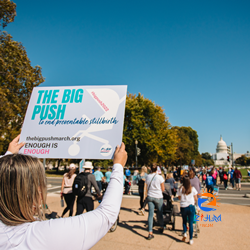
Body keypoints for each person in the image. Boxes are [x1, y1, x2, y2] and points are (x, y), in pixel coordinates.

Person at [0, 138, 127, 250]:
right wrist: (118, 166)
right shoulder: (41, 235)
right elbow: (107, 214)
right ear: (31, 193)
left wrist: (8, 157)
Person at [145, 163, 165, 240]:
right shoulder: (159, 177)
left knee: (151, 214)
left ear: (150, 169)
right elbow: (163, 189)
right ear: (157, 169)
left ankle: (150, 232)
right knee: (159, 212)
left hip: (150, 196)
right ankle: (161, 226)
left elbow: (146, 186)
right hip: (158, 196)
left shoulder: (147, 177)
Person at [177, 176, 198, 245]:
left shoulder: (180, 189)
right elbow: (196, 198)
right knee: (191, 223)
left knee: (184, 221)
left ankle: (185, 232)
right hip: (191, 206)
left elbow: (179, 197)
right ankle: (191, 239)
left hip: (183, 206)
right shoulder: (192, 189)